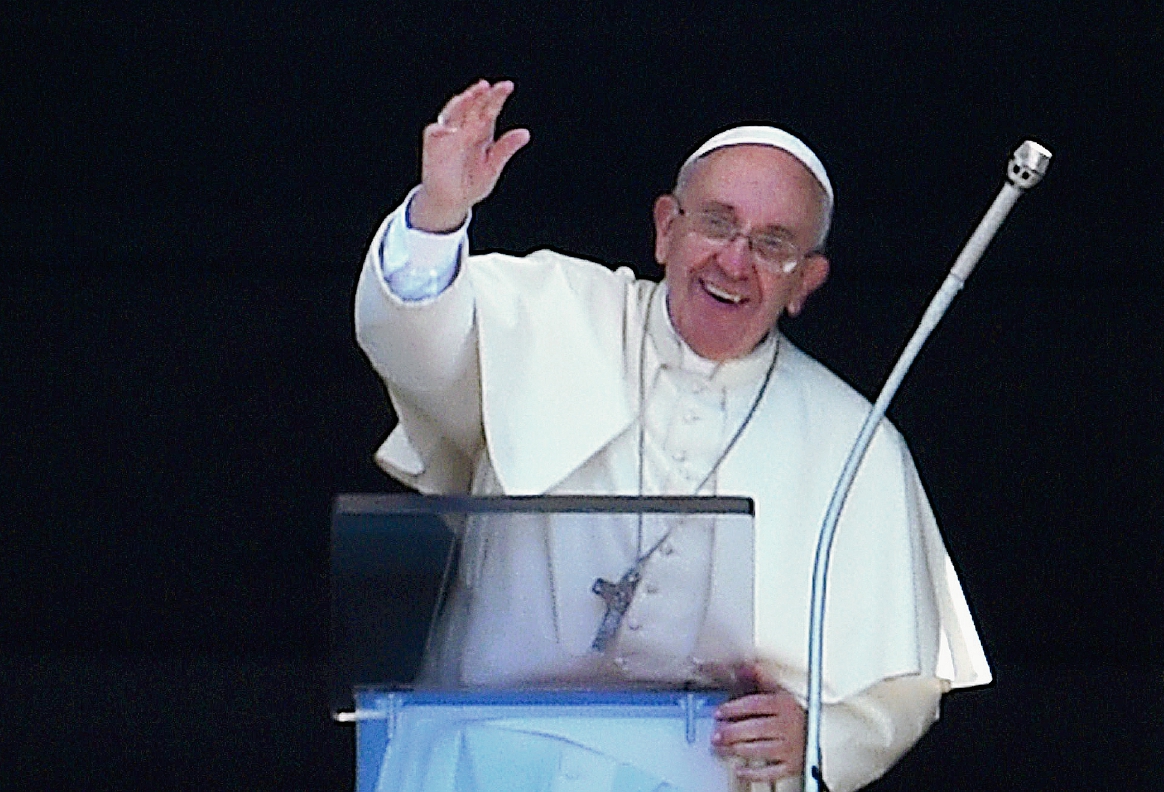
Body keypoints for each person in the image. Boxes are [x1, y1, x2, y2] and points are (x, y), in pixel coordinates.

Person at [355, 79, 991, 792]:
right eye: (717, 223)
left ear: (806, 281)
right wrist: (438, 214)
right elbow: (411, 340)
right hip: (483, 759)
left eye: (774, 244)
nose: (735, 262)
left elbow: (898, 690)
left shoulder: (856, 444)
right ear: (666, 229)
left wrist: (820, 732)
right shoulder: (550, 312)